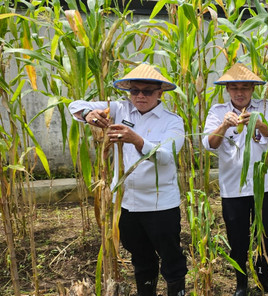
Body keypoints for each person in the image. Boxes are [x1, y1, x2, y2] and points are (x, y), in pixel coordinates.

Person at [68, 63, 187, 296]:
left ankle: (177, 291)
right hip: (126, 203)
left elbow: (167, 155)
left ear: (160, 93)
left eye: (147, 91)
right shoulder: (120, 109)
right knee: (140, 257)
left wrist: (137, 140)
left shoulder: (172, 121)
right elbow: (75, 105)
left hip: (160, 204)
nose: (140, 96)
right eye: (135, 91)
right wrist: (88, 114)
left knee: (171, 257)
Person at [201, 63, 268, 296]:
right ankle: (241, 282)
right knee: (237, 239)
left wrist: (259, 124)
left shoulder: (266, 106)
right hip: (233, 188)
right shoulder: (217, 112)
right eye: (234, 88)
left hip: (263, 186)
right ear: (227, 90)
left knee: (267, 235)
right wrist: (225, 125)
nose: (240, 92)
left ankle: (266, 278)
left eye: (245, 87)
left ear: (253, 89)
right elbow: (209, 144)